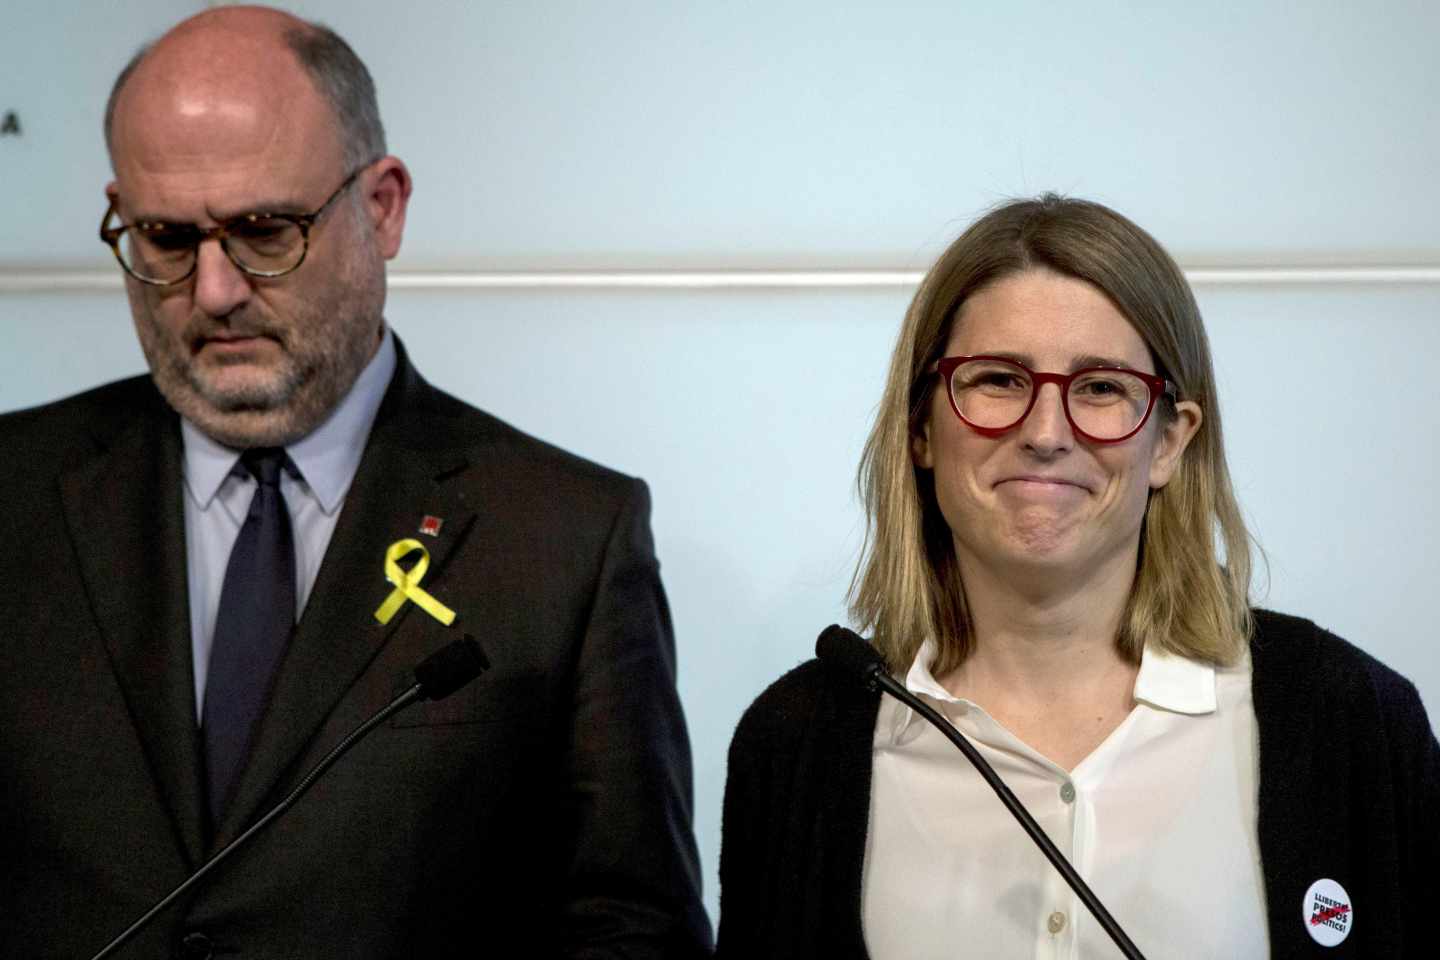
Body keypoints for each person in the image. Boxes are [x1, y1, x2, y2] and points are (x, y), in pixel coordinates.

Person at [0, 7, 711, 958]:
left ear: (382, 208)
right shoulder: (14, 495)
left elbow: (632, 932)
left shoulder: (564, 538)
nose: (214, 290)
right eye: (167, 239)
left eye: (264, 230)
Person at [716, 195, 1439, 957]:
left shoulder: (1353, 720)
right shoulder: (795, 743)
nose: (1045, 434)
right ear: (921, 427)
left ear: (1169, 442)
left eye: (1100, 388)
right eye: (997, 379)